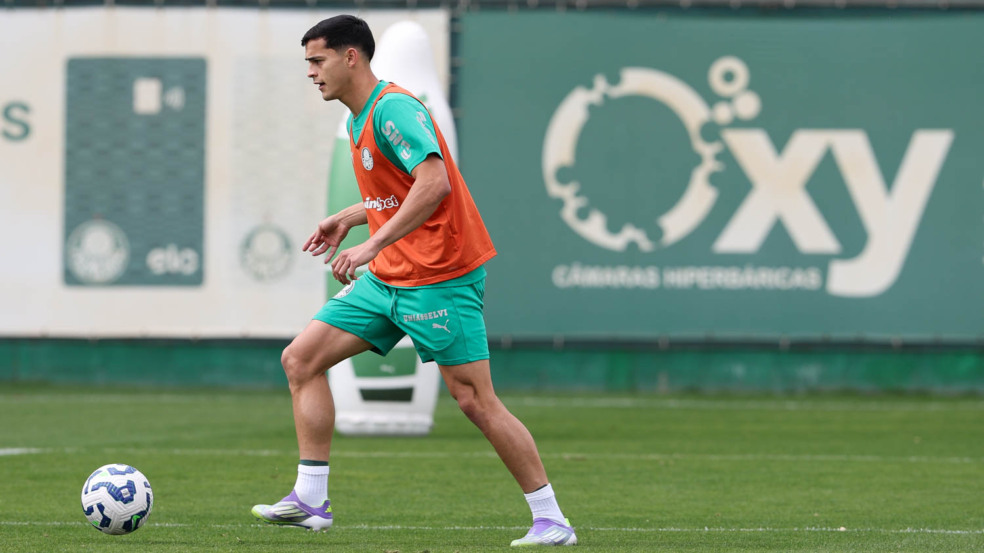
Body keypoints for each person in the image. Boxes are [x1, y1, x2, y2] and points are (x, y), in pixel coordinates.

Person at [250, 15, 577, 547]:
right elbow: (397, 194)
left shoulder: (393, 109)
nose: (310, 72)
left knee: (474, 399)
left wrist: (372, 244)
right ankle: (311, 499)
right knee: (301, 360)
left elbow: (435, 183)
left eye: (317, 60)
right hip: (389, 278)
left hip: (440, 277)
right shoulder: (358, 119)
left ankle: (552, 519)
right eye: (308, 62)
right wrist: (349, 218)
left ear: (351, 56)